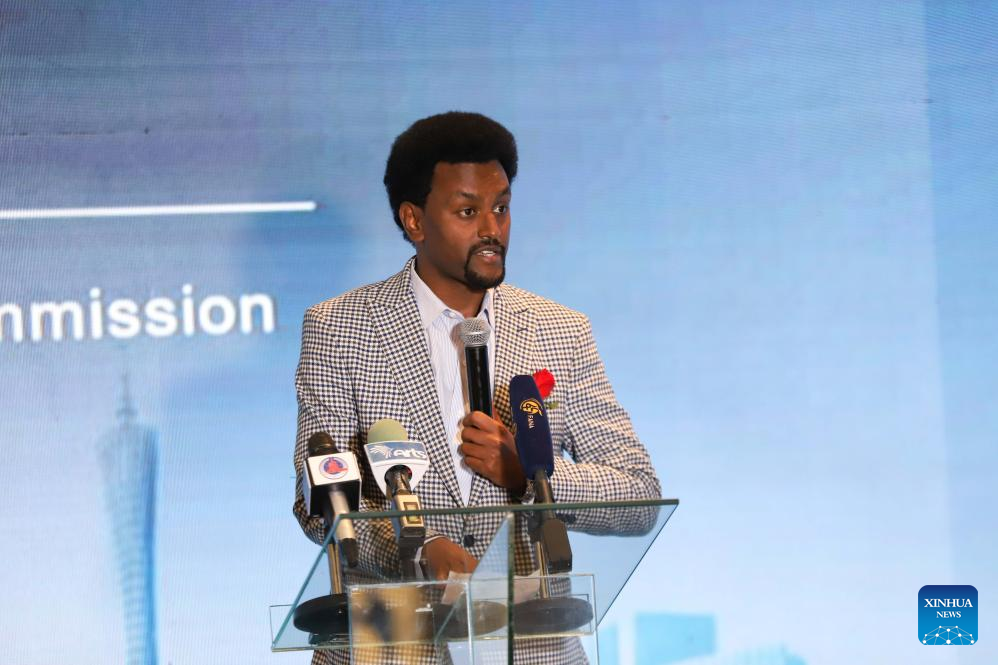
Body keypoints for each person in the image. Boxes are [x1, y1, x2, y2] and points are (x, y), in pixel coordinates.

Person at [293, 111, 660, 664]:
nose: (492, 228)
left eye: (501, 208)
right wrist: (419, 548)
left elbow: (639, 497)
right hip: (392, 649)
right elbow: (319, 504)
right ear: (414, 220)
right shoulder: (341, 327)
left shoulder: (560, 330)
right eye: (468, 211)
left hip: (530, 648)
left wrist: (531, 477)